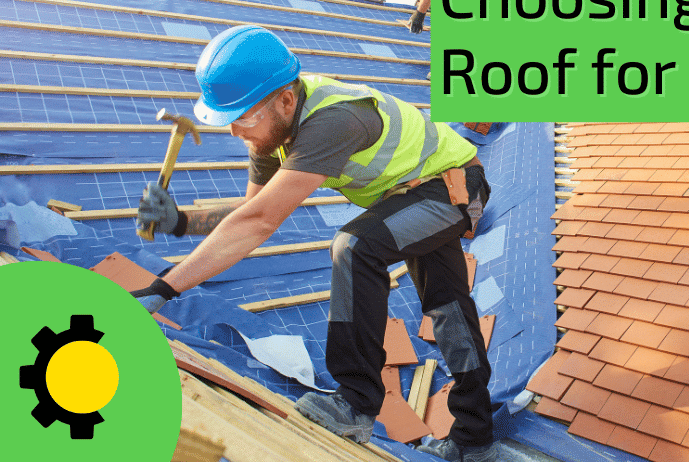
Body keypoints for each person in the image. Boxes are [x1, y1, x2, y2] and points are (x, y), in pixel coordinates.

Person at [132, 25, 498, 462]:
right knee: (449, 307)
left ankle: (357, 403)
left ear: (286, 100)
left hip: (456, 187)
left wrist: (165, 287)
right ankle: (475, 440)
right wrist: (181, 222)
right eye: (230, 120)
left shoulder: (335, 121)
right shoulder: (270, 131)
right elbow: (251, 212)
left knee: (355, 246)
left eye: (244, 118)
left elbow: (260, 223)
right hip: (413, 194)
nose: (235, 133)